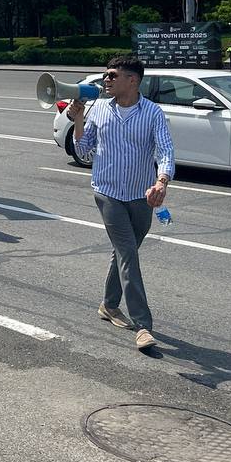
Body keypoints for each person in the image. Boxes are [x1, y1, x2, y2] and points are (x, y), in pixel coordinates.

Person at [67, 54, 174, 352]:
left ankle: (108, 305)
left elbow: (165, 150)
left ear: (133, 80)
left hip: (142, 195)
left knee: (124, 252)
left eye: (113, 75)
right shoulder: (99, 108)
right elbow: (84, 149)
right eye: (106, 74)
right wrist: (78, 120)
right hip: (107, 192)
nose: (106, 79)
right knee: (128, 253)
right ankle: (143, 326)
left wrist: (161, 181)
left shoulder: (152, 112)